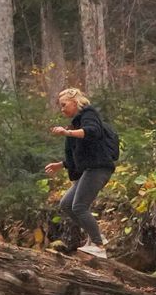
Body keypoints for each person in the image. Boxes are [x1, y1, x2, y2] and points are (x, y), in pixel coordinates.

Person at [44, 88, 118, 259]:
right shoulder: (74, 125)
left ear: (75, 102)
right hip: (89, 169)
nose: (62, 109)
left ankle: (98, 245)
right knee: (66, 204)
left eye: (64, 105)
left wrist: (66, 132)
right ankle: (96, 236)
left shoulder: (88, 114)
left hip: (99, 168)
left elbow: (92, 131)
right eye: (60, 106)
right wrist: (60, 165)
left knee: (79, 206)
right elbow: (77, 156)